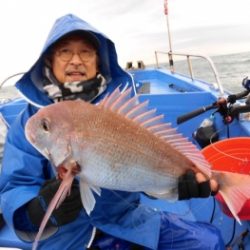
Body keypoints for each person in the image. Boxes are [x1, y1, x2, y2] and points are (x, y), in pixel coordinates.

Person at [0, 14, 223, 249]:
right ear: (49, 61)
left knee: (209, 242)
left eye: (86, 52)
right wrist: (39, 209)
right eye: (65, 51)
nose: (76, 60)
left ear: (98, 60)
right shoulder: (30, 121)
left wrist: (175, 188)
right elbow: (15, 186)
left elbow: (145, 169)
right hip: (65, 238)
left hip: (128, 224)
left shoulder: (123, 113)